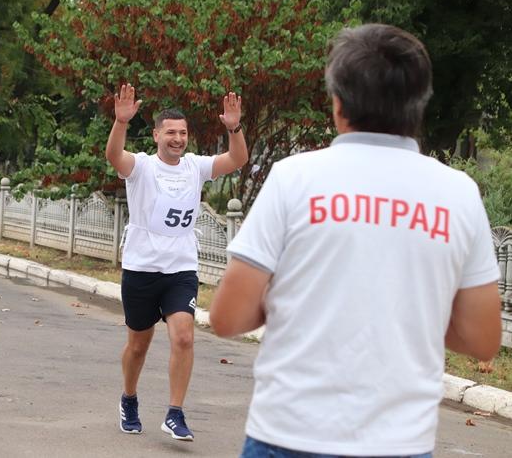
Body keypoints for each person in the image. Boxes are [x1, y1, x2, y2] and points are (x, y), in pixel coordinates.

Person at [210, 24, 502, 457]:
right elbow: (481, 339)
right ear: (419, 103)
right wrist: (406, 313)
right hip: (400, 442)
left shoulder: (295, 178)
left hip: (289, 434)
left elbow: (227, 317)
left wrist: (306, 304)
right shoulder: (458, 193)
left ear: (338, 102)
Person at [106, 83, 248, 441]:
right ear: (156, 135)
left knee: (184, 336)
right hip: (141, 267)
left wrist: (234, 128)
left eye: (183, 133)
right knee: (138, 344)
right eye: (171, 132)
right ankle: (129, 398)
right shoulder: (141, 166)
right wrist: (121, 122)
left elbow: (237, 160)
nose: (178, 138)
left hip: (181, 267)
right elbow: (113, 156)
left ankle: (175, 413)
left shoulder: (195, 167)